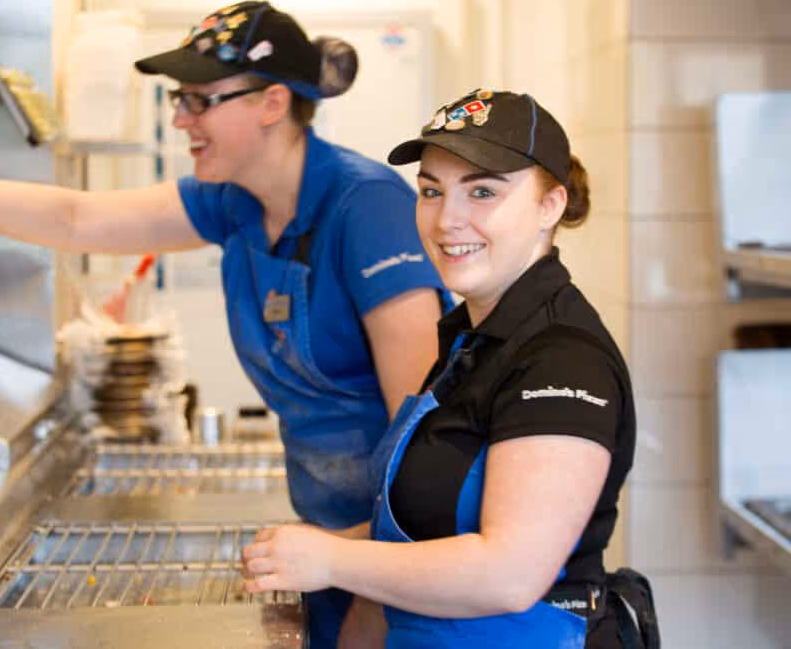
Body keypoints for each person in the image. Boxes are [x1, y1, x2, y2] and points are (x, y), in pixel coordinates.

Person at [0, 0, 449, 648]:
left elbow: (425, 440)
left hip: (403, 563)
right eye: (180, 98)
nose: (179, 119)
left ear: (272, 102)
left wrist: (374, 588)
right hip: (329, 546)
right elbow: (75, 221)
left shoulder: (366, 209)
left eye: (201, 101)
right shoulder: (234, 202)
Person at [242, 90, 655, 648]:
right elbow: (424, 524)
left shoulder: (563, 358)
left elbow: (511, 574)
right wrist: (328, 550)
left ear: (550, 205)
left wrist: (332, 560)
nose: (447, 219)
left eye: (482, 191)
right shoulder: (471, 338)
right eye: (431, 191)